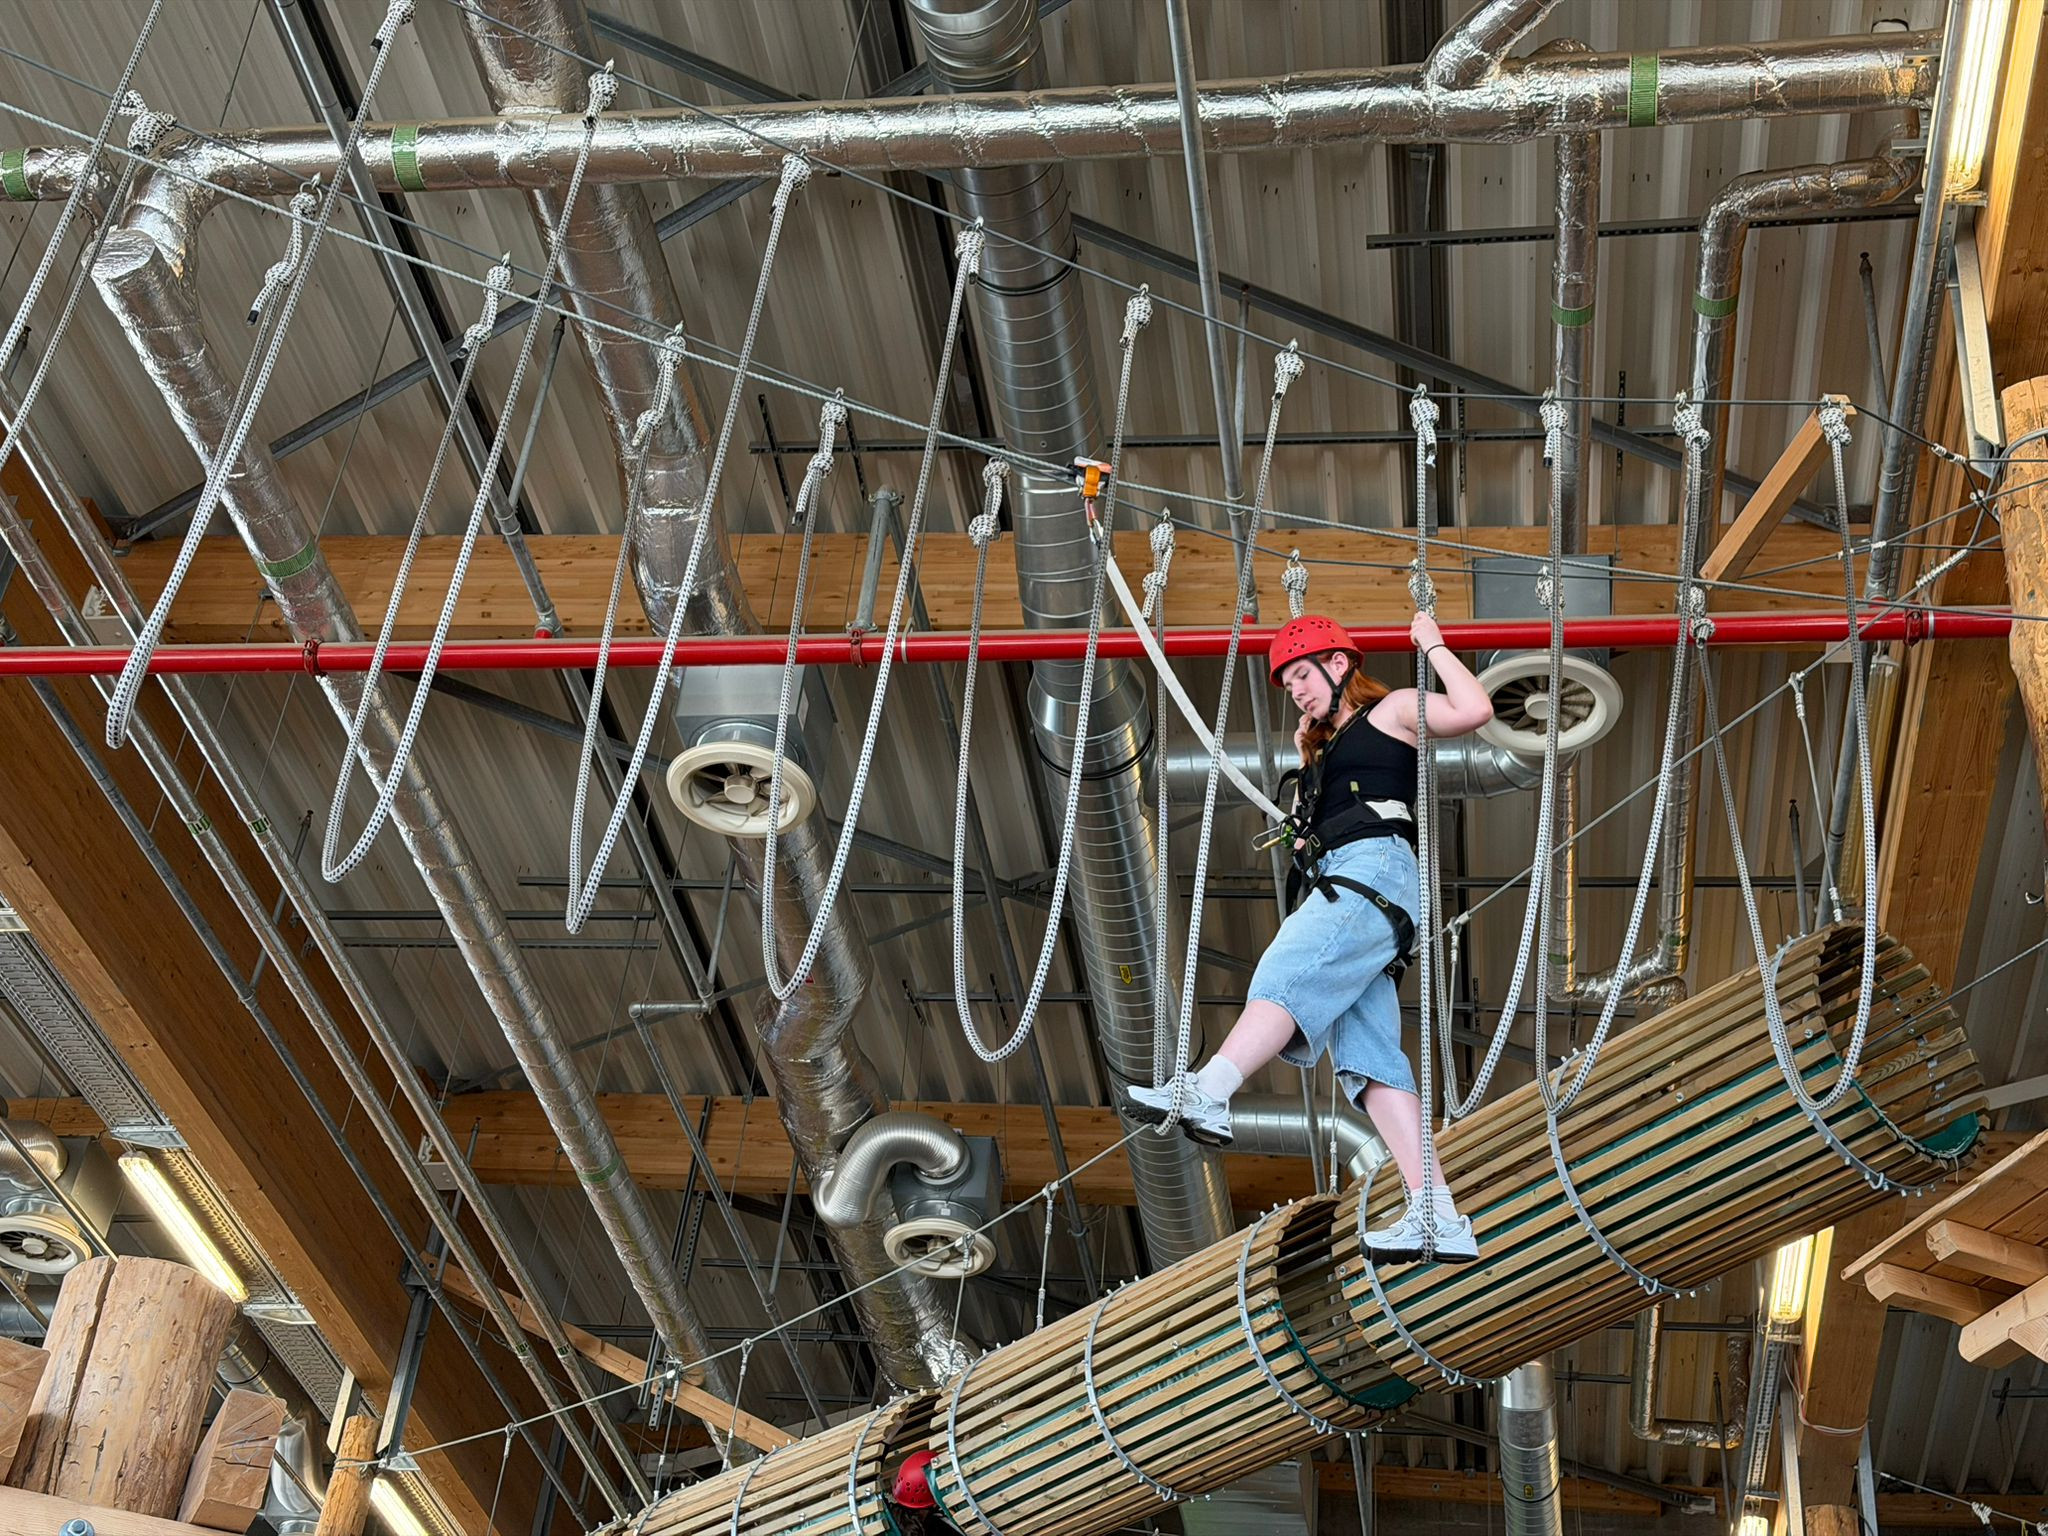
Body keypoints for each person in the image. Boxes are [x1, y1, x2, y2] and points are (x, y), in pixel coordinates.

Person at [1124, 609, 1494, 1263]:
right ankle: (1436, 1213)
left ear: (1339, 664)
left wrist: (1430, 642)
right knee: (1368, 1061)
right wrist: (1308, 769)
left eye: (1301, 673)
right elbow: (1311, 830)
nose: (1294, 689)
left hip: (1371, 871)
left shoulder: (1394, 710)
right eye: (1288, 680)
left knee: (1285, 973)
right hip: (1367, 887)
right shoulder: (1327, 756)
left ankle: (1209, 1092)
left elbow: (1473, 709)